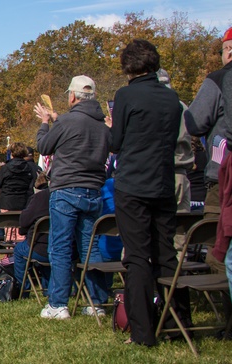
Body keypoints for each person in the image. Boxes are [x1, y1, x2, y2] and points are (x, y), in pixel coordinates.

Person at [111, 39, 187, 346]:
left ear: (129, 67)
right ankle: (178, 321)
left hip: (133, 184)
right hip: (163, 182)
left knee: (139, 257)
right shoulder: (172, 99)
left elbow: (115, 142)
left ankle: (143, 333)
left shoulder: (126, 95)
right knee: (167, 253)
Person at [33, 74, 111, 320]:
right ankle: (96, 301)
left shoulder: (67, 122)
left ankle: (58, 303)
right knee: (90, 246)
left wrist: (45, 123)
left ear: (73, 96)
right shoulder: (101, 125)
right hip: (93, 190)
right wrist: (57, 120)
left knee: (61, 247)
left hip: (66, 189)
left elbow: (44, 146)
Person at [184, 26, 232, 274]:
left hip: (224, 175)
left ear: (229, 51)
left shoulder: (220, 79)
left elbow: (194, 121)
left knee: (219, 245)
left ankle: (224, 309)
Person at [157, 69, 194, 214]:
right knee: (181, 229)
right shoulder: (182, 106)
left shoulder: (151, 107)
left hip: (159, 173)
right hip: (180, 172)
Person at [12, 172, 51, 295]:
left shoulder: (40, 198)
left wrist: (24, 232)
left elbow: (24, 221)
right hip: (68, 250)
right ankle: (48, 288)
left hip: (41, 247)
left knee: (19, 250)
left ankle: (23, 289)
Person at [0, 142, 37, 211]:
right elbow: (32, 185)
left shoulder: (5, 168)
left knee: (6, 221)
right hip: (23, 202)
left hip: (6, 203)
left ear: (11, 153)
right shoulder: (29, 168)